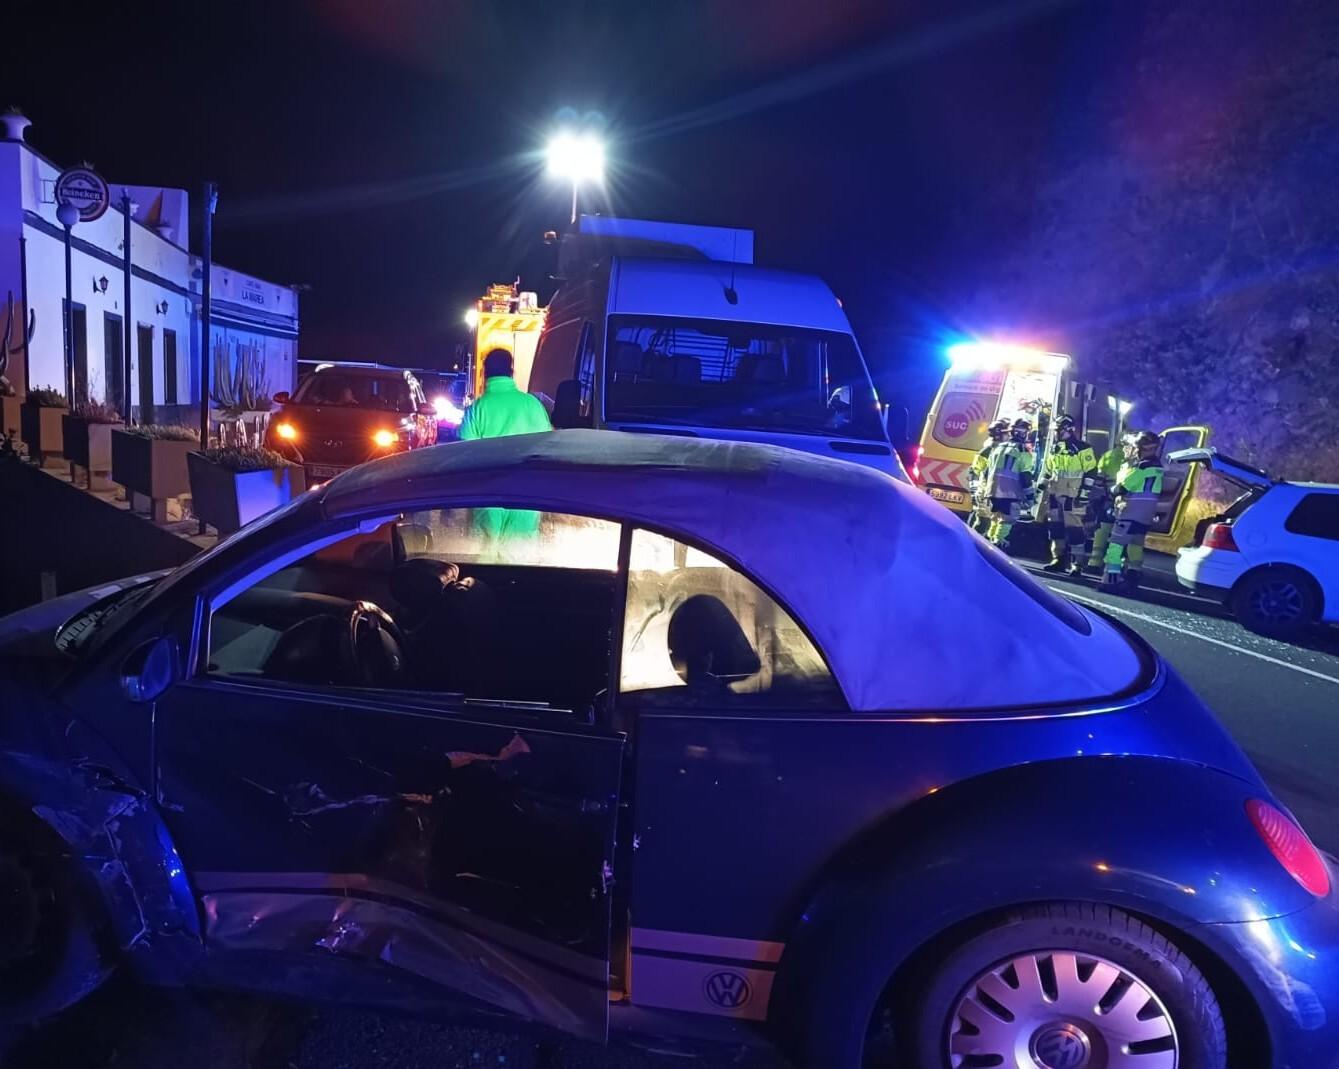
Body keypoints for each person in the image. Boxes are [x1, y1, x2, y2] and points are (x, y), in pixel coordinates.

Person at [459, 349, 553, 546]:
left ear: (485, 373)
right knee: (519, 558)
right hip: (526, 496)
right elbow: (548, 448)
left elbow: (464, 455)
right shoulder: (533, 405)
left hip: (487, 495)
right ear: (512, 372)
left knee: (483, 558)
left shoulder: (477, 409)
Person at [1100, 430, 1164, 592]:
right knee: (1136, 545)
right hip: (1146, 514)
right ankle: (1133, 576)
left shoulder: (1141, 468)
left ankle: (1110, 581)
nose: (1134, 450)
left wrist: (1112, 489)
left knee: (1115, 545)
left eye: (1136, 447)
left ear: (1144, 448)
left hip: (1130, 511)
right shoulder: (1158, 467)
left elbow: (1122, 487)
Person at [1039, 414, 1097, 572]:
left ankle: (1077, 564)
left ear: (1069, 430)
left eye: (1059, 430)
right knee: (1055, 528)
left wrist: (1084, 495)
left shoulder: (1083, 448)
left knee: (1075, 531)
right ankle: (1058, 559)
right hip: (1054, 495)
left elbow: (1091, 472)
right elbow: (1050, 471)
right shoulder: (1055, 448)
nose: (1057, 433)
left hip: (1073, 496)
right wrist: (1042, 485)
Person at [1077, 438, 1126, 576]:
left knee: (1102, 530)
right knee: (1122, 535)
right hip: (1127, 501)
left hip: (1109, 499)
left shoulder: (1109, 455)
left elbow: (1099, 480)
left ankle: (1094, 563)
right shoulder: (1135, 459)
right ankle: (1121, 565)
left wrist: (1097, 498)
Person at [985, 418, 1033, 550]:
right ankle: (998, 544)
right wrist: (1030, 497)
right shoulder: (1023, 451)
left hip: (993, 491)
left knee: (995, 518)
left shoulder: (997, 447)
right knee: (1006, 521)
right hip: (1011, 493)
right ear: (1022, 433)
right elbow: (1025, 477)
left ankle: (989, 542)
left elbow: (987, 470)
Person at [968, 420, 1010, 535]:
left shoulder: (1003, 450)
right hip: (986, 493)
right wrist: (974, 492)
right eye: (1007, 433)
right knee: (982, 524)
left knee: (991, 526)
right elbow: (974, 472)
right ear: (999, 435)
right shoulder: (987, 452)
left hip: (996, 494)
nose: (1009, 435)